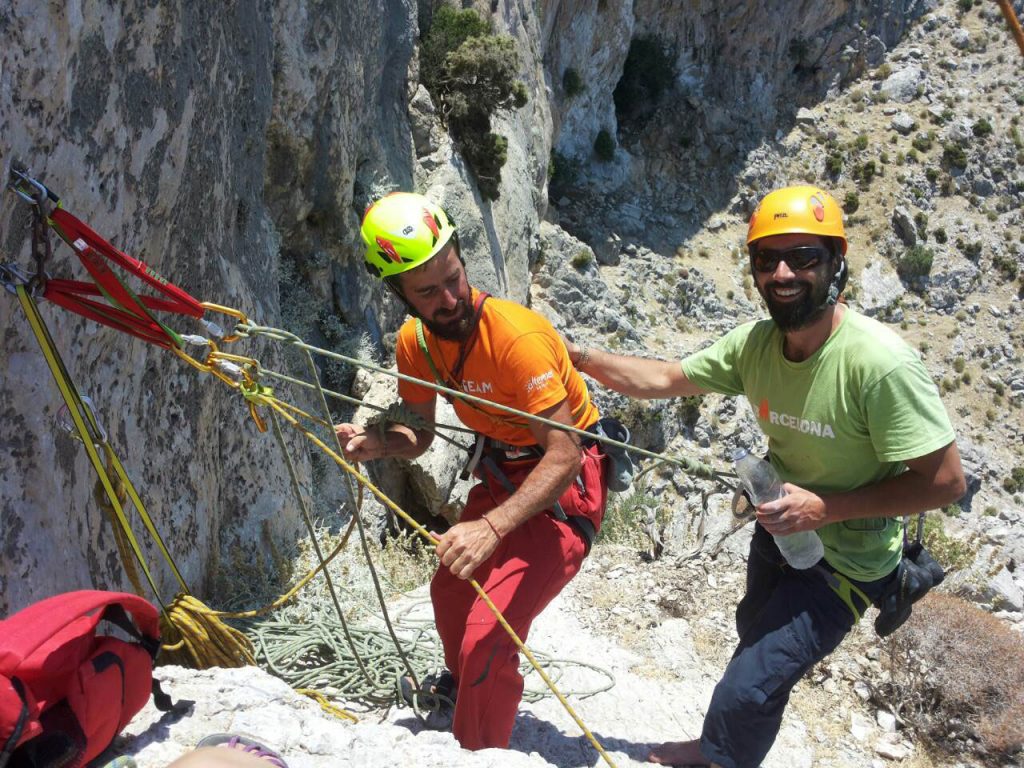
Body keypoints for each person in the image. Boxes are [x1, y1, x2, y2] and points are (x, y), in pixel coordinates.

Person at [563, 185, 966, 768]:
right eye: (766, 259)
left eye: (802, 257)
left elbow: (947, 482)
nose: (782, 274)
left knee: (749, 686)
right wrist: (574, 357)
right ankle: (719, 750)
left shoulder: (879, 365)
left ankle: (718, 755)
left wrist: (824, 509)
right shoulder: (756, 346)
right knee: (754, 640)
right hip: (780, 533)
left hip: (849, 561)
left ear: (836, 263)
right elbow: (663, 379)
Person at [334, 192, 608, 750]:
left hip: (566, 484)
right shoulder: (416, 344)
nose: (449, 299)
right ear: (398, 294)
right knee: (451, 591)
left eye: (453, 278)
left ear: (461, 258)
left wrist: (490, 527)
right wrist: (379, 442)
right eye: (427, 292)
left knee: (489, 635)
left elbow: (564, 455)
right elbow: (421, 436)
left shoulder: (516, 338)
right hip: (504, 473)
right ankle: (466, 690)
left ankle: (478, 749)